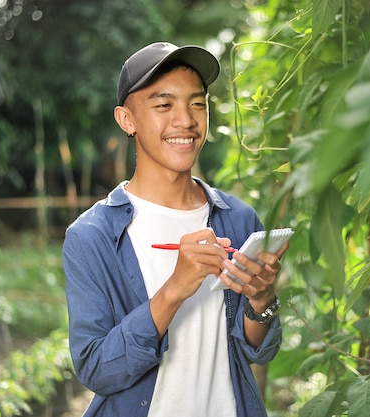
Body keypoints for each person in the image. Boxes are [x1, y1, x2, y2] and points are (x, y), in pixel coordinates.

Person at [62, 41, 288, 417]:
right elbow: (97, 369)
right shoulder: (92, 236)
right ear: (126, 120)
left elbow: (257, 350)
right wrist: (174, 290)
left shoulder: (240, 219)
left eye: (198, 104)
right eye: (164, 105)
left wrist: (262, 301)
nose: (186, 120)